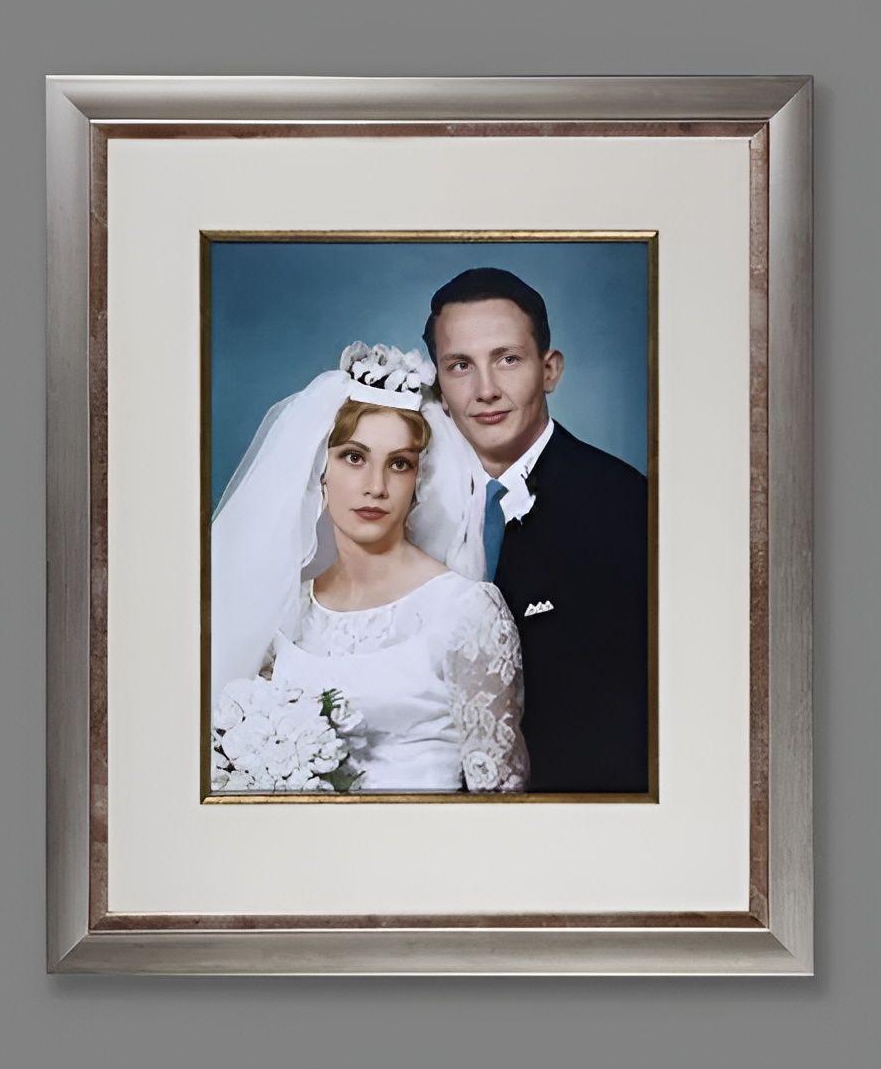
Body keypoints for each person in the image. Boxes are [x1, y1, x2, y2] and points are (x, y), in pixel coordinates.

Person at [211, 341, 529, 793]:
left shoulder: (465, 611)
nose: (375, 487)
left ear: (420, 481)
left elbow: (500, 795)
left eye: (399, 464)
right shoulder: (288, 611)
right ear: (321, 471)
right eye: (354, 458)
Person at [423, 268, 649, 793]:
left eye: (507, 359)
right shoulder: (402, 501)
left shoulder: (625, 504)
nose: (485, 390)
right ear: (438, 381)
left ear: (550, 369)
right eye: (460, 366)